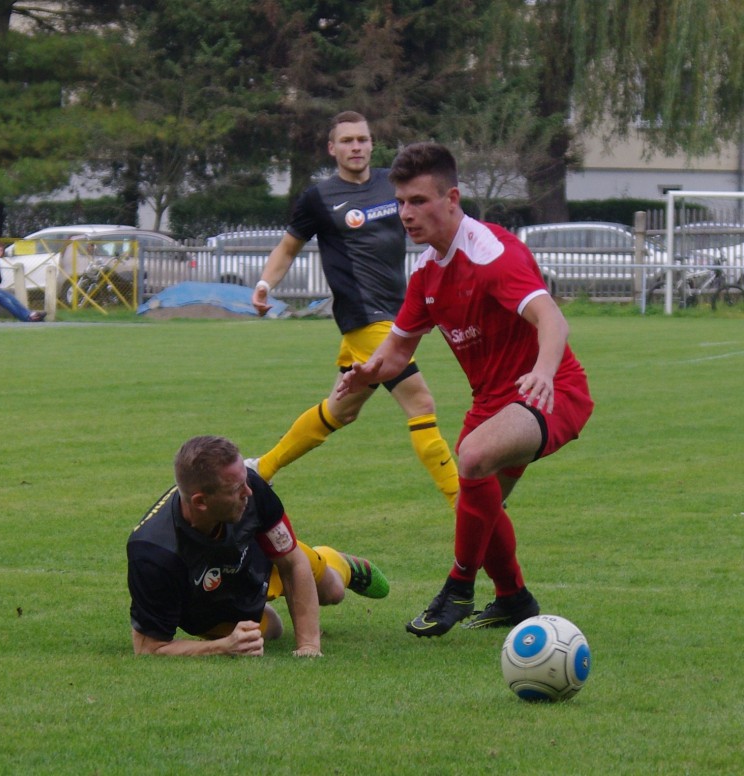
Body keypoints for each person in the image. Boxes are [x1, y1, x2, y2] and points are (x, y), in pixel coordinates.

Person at [337, 142, 594, 637]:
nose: (406, 214)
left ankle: (456, 589)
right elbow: (396, 351)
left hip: (551, 390)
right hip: (492, 402)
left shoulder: (492, 254)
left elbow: (551, 318)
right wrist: (367, 373)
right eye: (401, 203)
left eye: (419, 201)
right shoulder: (427, 274)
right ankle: (514, 598)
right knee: (480, 506)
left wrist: (542, 371)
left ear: (451, 198)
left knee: (473, 457)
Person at [249, 111, 458, 510]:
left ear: (371, 143)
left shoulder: (391, 184)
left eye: (362, 139)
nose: (356, 147)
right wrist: (264, 285)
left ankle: (262, 469)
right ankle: (464, 503)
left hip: (400, 317)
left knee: (340, 411)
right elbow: (288, 247)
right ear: (333, 148)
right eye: (347, 141)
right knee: (421, 404)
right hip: (365, 320)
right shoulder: (318, 197)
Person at [127, 435, 390, 657]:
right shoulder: (153, 552)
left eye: (245, 480)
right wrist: (224, 646)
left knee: (332, 591)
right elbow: (148, 646)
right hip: (211, 600)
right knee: (269, 630)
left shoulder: (252, 487)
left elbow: (292, 562)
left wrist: (309, 646)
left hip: (265, 556)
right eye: (236, 488)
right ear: (201, 502)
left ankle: (337, 560)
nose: (249, 492)